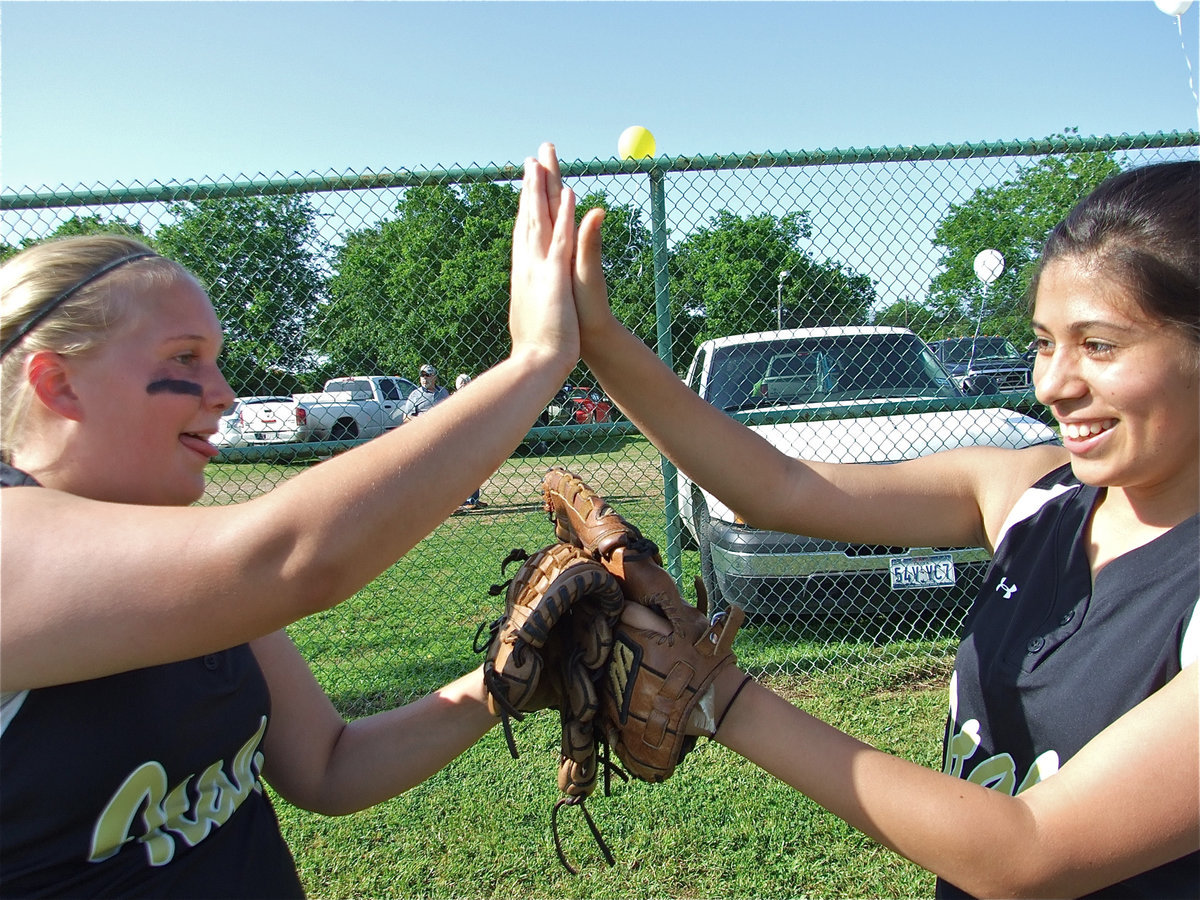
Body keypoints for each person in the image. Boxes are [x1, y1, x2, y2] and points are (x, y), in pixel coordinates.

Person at [569, 159, 1199, 898]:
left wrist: (714, 695)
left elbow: (1028, 852)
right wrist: (598, 340)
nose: (1053, 384)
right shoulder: (1033, 492)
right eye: (1042, 342)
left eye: (1098, 345)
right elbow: (776, 487)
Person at [0, 142, 580, 896]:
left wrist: (499, 684)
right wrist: (535, 360)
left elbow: (329, 767)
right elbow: (297, 557)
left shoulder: (194, 574)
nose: (224, 394)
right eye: (186, 358)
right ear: (59, 383)